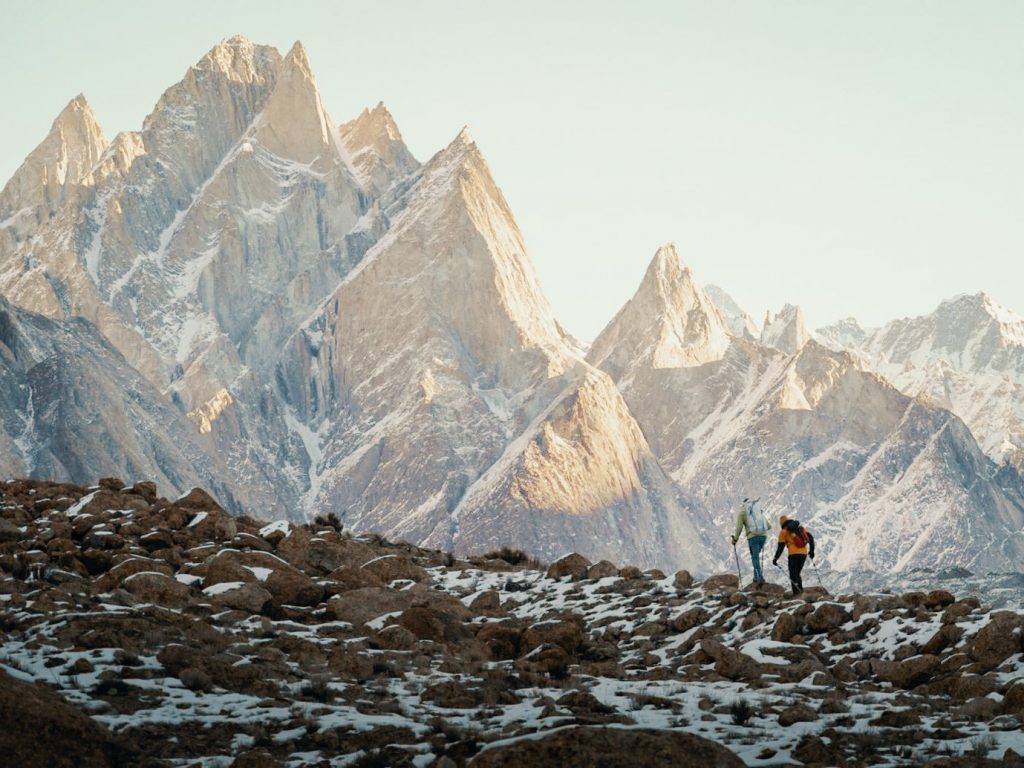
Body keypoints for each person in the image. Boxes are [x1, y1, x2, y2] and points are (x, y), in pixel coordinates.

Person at [772, 515, 815, 595]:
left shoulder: (784, 532)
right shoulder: (800, 528)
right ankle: (800, 591)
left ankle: (796, 593)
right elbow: (811, 538)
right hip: (803, 554)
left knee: (793, 574)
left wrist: (775, 558)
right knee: (797, 573)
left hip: (793, 554)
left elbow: (780, 547)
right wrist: (812, 551)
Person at [731, 497, 769, 585]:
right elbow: (768, 526)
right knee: (756, 557)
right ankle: (757, 576)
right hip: (763, 536)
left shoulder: (742, 513)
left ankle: (759, 577)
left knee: (754, 557)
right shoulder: (758, 512)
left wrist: (735, 539)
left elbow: (739, 527)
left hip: (753, 537)